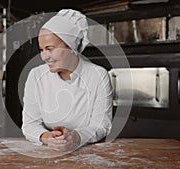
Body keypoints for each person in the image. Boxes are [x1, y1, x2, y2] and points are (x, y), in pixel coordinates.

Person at [22, 9, 113, 152]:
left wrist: (75, 137)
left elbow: (101, 125)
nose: (44, 57)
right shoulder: (36, 76)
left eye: (50, 49)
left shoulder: (98, 75)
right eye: (41, 50)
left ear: (70, 47)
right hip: (49, 152)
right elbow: (30, 125)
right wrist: (47, 137)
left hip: (89, 154)